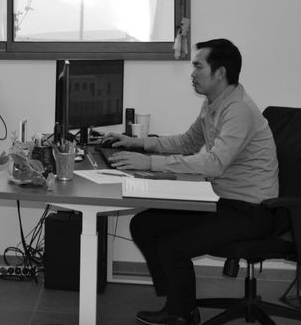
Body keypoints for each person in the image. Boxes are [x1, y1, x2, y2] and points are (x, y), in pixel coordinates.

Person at [106, 38, 278, 325]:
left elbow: (214, 163)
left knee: (173, 246)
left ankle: (181, 313)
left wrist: (148, 163)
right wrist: (136, 143)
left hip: (252, 211)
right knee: (144, 225)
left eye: (198, 66)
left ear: (220, 73)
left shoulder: (238, 110)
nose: (193, 73)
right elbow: (188, 142)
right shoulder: (213, 104)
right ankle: (178, 301)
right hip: (226, 203)